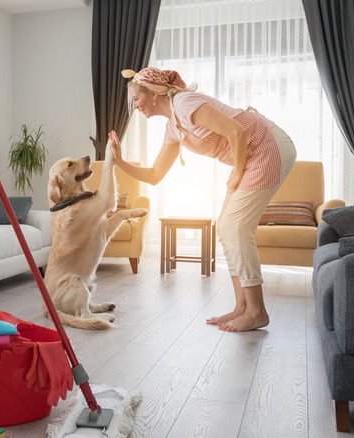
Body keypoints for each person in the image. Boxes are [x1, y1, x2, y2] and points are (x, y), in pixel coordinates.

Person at [108, 67, 297, 332]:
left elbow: (236, 133)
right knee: (226, 227)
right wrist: (120, 162)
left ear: (153, 95)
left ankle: (257, 312)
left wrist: (237, 174)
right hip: (250, 155)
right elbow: (154, 175)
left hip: (267, 146)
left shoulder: (185, 103)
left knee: (237, 228)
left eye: (136, 99)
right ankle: (242, 307)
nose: (135, 106)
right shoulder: (173, 126)